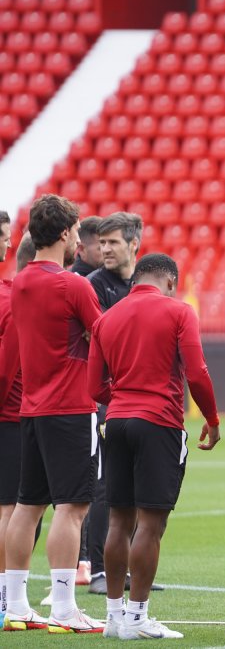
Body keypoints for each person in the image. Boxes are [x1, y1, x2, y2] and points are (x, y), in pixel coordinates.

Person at [87, 253, 220, 640]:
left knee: (118, 521)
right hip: (158, 422)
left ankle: (114, 618)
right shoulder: (179, 312)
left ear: (136, 280)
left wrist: (123, 399)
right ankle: (137, 618)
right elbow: (197, 372)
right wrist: (212, 419)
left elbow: (94, 386)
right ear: (171, 282)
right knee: (151, 523)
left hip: (116, 422)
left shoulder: (105, 319)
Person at [0, 194, 104, 633]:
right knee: (72, 508)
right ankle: (63, 608)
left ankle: (16, 605)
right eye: (77, 231)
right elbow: (104, 335)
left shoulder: (21, 282)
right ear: (63, 233)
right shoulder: (73, 285)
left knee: (27, 507)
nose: (79, 240)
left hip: (31, 409)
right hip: (72, 407)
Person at [83, 211, 144, 596]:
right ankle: (99, 572)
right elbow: (102, 342)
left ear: (133, 244)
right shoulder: (94, 285)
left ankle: (133, 567)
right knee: (105, 486)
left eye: (112, 242)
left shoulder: (144, 283)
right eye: (101, 242)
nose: (104, 248)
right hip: (108, 399)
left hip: (141, 399)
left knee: (140, 486)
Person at [0, 212, 18, 623]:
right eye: (3, 237)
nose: (8, 244)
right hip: (8, 415)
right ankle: (4, 597)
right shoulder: (6, 297)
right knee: (7, 509)